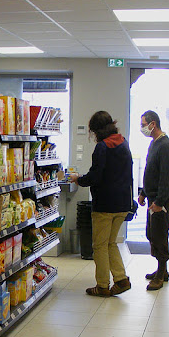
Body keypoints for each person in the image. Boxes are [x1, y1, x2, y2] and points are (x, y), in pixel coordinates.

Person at [71, 111, 133, 297]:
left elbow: (96, 177)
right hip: (122, 203)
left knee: (99, 245)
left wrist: (78, 179)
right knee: (111, 243)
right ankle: (121, 279)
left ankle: (102, 285)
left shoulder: (102, 147)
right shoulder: (123, 143)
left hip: (105, 204)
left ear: (96, 130)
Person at [137, 110, 169, 291]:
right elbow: (150, 171)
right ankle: (162, 270)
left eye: (144, 124)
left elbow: (166, 177)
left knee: (160, 235)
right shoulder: (154, 144)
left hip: (161, 199)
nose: (142, 127)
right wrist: (143, 193)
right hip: (153, 196)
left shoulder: (166, 146)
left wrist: (160, 202)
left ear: (153, 124)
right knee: (152, 233)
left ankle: (161, 275)